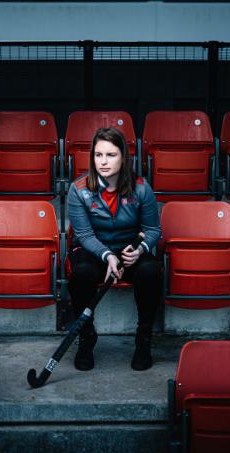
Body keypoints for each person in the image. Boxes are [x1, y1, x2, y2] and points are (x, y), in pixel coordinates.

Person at [66, 127, 161, 371]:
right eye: (98, 155)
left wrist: (140, 250)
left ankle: (143, 339)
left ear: (123, 157)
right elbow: (84, 234)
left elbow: (153, 229)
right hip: (93, 251)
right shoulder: (78, 189)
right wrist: (107, 256)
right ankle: (86, 337)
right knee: (81, 273)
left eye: (111, 155)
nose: (103, 161)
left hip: (129, 251)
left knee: (150, 271)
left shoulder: (141, 188)